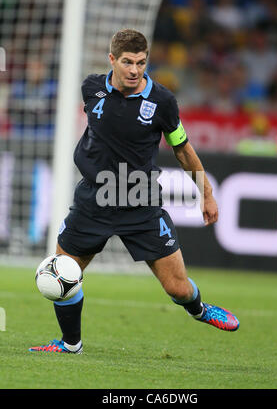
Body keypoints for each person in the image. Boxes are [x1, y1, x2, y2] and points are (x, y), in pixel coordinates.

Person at [29, 29, 239, 354]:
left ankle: (199, 309)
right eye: (127, 62)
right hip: (93, 200)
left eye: (141, 62)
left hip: (140, 201)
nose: (134, 70)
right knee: (62, 275)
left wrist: (207, 194)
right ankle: (71, 344)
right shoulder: (92, 88)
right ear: (112, 60)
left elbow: (182, 150)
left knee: (178, 288)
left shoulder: (163, 102)